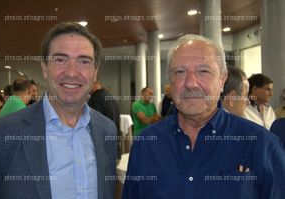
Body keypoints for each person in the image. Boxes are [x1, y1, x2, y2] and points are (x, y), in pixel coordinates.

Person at [122, 34, 285, 199]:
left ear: (222, 80)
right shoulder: (146, 145)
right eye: (180, 72)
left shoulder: (261, 144)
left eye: (203, 71)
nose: (191, 83)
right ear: (170, 81)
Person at [0, 22, 117, 199]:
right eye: (60, 59)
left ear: (95, 72)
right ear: (44, 68)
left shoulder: (107, 130)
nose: (72, 72)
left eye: (84, 61)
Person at [88, 81, 121, 159]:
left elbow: (95, 126)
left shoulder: (95, 99)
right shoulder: (110, 97)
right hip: (114, 146)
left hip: (102, 150)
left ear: (93, 86)